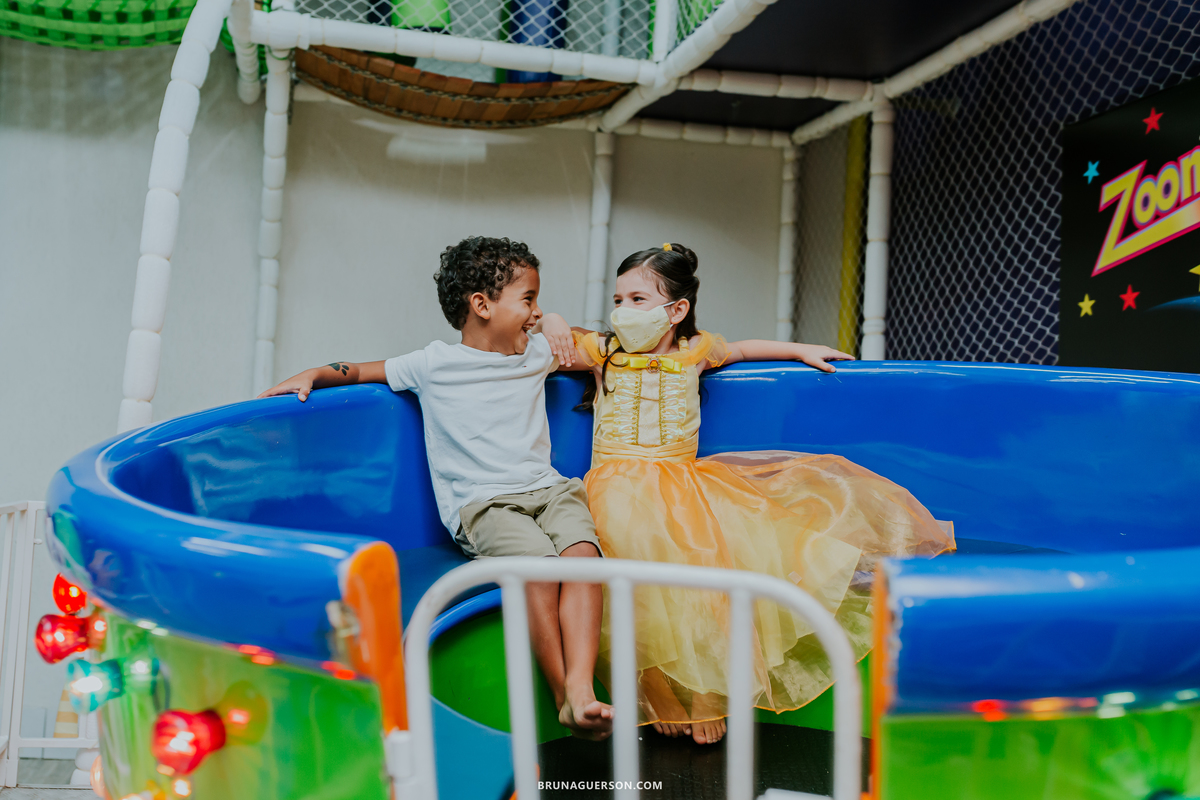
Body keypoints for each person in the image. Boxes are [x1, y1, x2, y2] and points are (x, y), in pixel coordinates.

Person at [562, 243, 956, 745]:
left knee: (711, 573)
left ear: (676, 310)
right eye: (619, 299)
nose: (624, 311)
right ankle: (655, 690)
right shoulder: (605, 352)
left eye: (639, 299)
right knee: (626, 575)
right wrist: (554, 320)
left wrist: (798, 351)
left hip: (683, 486)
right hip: (614, 486)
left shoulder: (695, 351)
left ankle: (709, 694)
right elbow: (550, 348)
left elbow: (743, 350)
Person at [259, 236, 613, 740]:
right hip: (485, 505)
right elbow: (360, 371)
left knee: (583, 554)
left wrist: (557, 323)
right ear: (482, 305)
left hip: (549, 490)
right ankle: (564, 696)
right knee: (541, 566)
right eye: (529, 300)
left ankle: (583, 685)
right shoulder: (434, 365)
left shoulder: (536, 353)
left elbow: (598, 347)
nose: (536, 314)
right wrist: (316, 372)